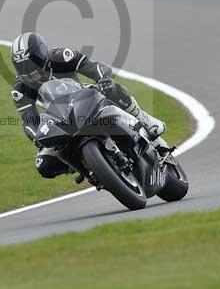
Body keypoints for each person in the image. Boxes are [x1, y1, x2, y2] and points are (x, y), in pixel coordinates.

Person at [10, 32, 171, 180]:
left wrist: (104, 80)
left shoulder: (62, 56)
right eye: (23, 67)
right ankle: (87, 169)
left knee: (114, 90)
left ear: (42, 53)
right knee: (43, 164)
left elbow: (95, 67)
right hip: (60, 120)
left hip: (84, 97)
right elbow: (29, 120)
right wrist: (36, 136)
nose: (31, 71)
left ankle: (143, 119)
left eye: (33, 62)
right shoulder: (21, 90)